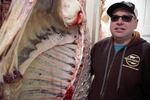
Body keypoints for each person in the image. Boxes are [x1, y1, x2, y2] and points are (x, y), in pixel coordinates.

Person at [88, 1, 150, 100]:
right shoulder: (98, 47)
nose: (119, 22)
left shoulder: (146, 51)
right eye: (115, 18)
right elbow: (83, 76)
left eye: (126, 18)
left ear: (136, 23)